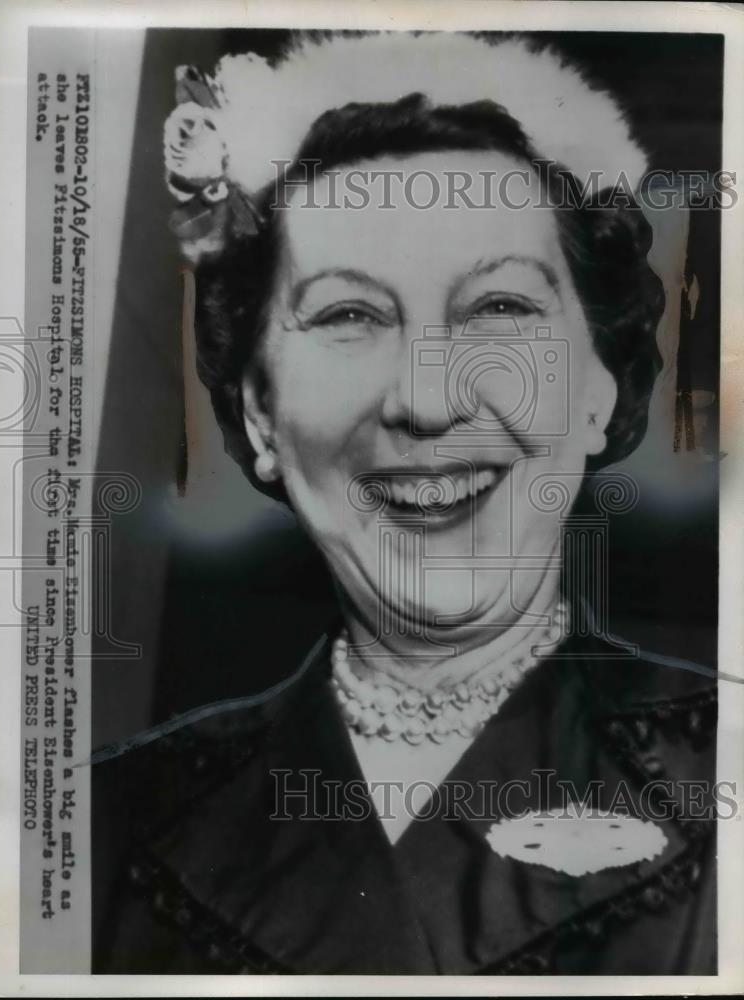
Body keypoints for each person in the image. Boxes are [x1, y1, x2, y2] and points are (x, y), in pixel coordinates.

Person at [93, 31, 717, 974]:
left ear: (597, 386)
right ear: (260, 411)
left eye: (499, 309)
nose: (426, 401)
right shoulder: (94, 824)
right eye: (349, 315)